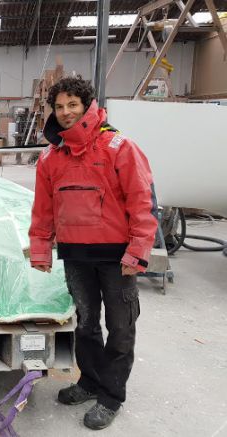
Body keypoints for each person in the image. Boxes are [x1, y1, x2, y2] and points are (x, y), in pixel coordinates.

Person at [28, 76, 158, 430]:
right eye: (59, 106)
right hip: (76, 257)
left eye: (73, 104)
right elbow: (43, 210)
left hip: (117, 258)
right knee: (85, 325)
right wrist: (40, 248)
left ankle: (111, 395)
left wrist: (138, 251)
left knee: (120, 327)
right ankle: (89, 382)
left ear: (87, 105)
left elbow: (142, 203)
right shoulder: (51, 159)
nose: (66, 112)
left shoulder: (118, 147)